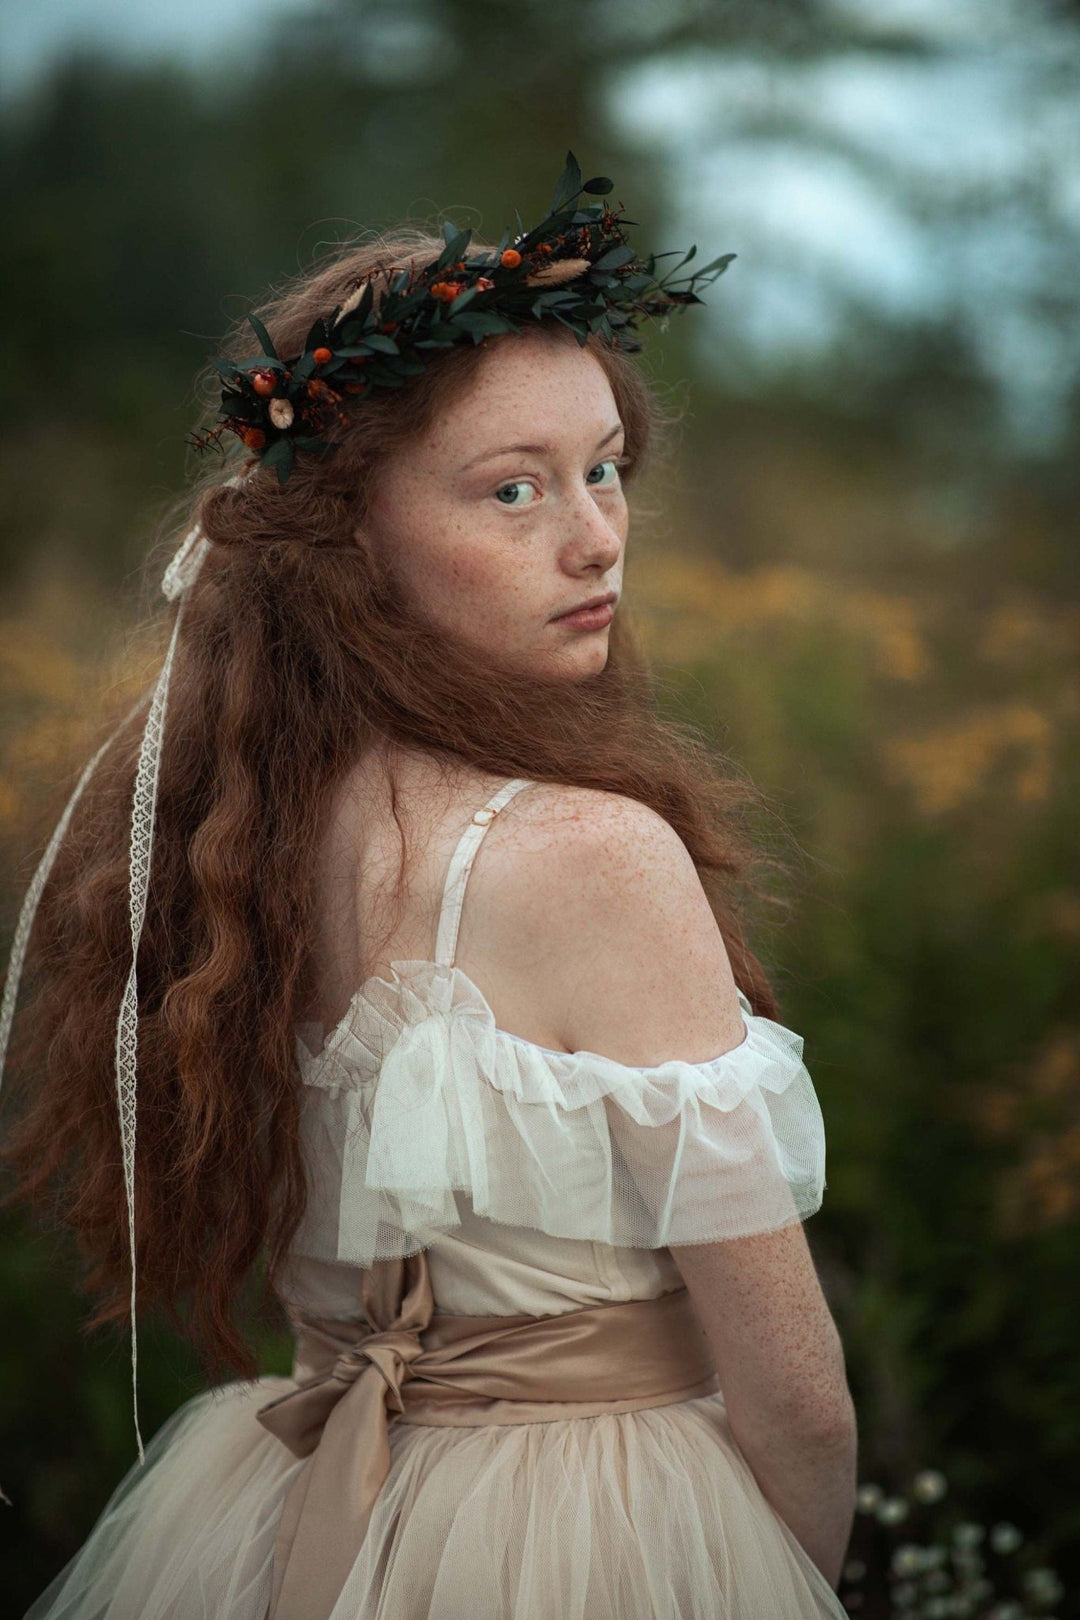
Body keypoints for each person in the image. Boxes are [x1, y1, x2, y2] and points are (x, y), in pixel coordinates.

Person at [1, 156, 857, 1617]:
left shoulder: (239, 836)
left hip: (289, 1509)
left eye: (604, 470)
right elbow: (798, 1397)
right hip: (591, 1530)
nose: (594, 538)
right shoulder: (592, 856)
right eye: (512, 490)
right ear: (348, 543)